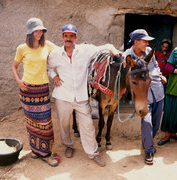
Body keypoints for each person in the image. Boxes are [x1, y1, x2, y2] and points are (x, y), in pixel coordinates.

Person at [47, 24, 119, 167]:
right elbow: (49, 67)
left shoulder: (85, 50)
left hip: (81, 97)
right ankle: (68, 145)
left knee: (87, 125)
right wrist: (54, 75)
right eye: (66, 36)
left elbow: (105, 46)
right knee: (64, 124)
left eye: (71, 36)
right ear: (62, 37)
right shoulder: (55, 54)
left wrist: (113, 49)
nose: (69, 39)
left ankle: (93, 153)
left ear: (76, 37)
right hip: (62, 96)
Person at [12, 17, 58, 167]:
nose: (39, 33)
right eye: (36, 30)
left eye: (41, 30)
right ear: (30, 32)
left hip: (42, 90)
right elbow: (14, 66)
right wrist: (19, 81)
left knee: (45, 123)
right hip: (27, 91)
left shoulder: (47, 46)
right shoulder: (22, 48)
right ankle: (35, 151)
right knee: (31, 123)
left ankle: (46, 153)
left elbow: (63, 52)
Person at [123, 29, 166, 165]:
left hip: (158, 91)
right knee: (146, 122)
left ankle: (147, 143)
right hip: (143, 96)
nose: (147, 43)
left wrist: (159, 75)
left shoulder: (149, 52)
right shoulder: (128, 56)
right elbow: (123, 67)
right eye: (145, 41)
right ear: (136, 42)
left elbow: (156, 65)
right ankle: (148, 150)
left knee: (155, 122)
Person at [157, 47, 177, 145]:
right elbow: (168, 67)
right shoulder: (176, 51)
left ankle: (174, 133)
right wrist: (176, 71)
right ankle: (167, 135)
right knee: (169, 112)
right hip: (173, 88)